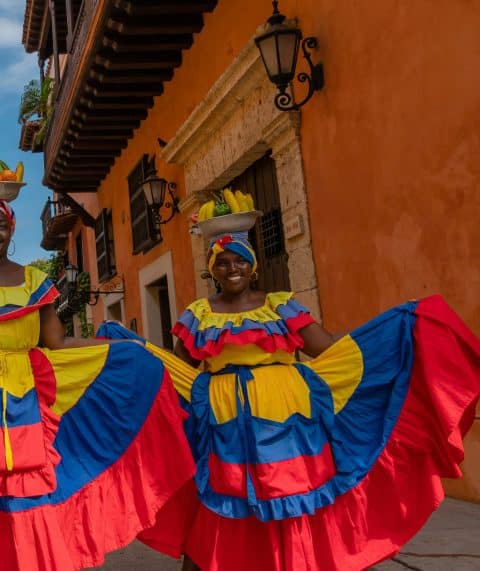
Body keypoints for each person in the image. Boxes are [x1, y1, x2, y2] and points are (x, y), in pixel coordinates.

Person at [120, 228, 480, 571]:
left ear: (253, 265)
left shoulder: (280, 305)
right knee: (222, 502)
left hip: (289, 421)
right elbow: (177, 371)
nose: (232, 269)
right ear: (212, 269)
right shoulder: (198, 314)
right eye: (223, 262)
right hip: (226, 424)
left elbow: (328, 347)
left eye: (240, 260)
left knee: (290, 500)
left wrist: (394, 326)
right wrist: (127, 355)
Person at [0, 198, 196, 571]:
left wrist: (117, 347)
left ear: (11, 232)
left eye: (1, 227)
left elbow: (56, 343)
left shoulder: (34, 282)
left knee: (21, 492)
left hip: (21, 399)